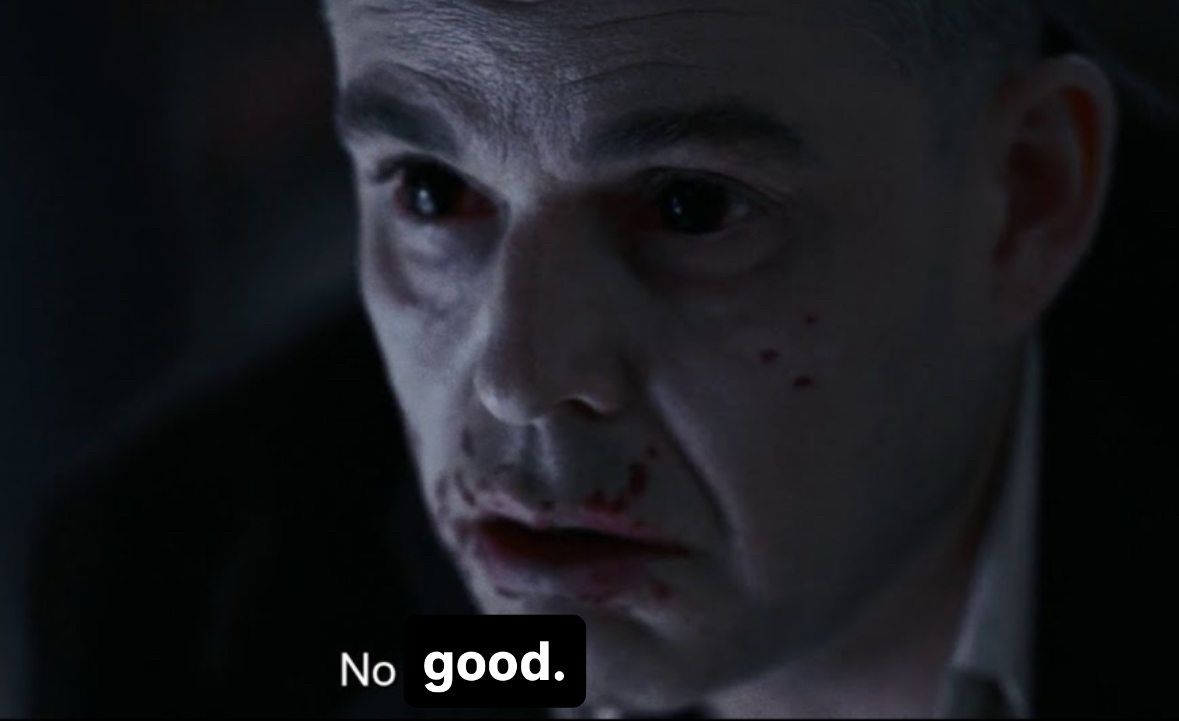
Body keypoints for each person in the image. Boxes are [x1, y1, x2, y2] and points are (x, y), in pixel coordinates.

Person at [322, 0, 1175, 717]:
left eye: (690, 206)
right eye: (430, 190)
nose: (517, 383)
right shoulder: (279, 606)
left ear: (1020, 202)